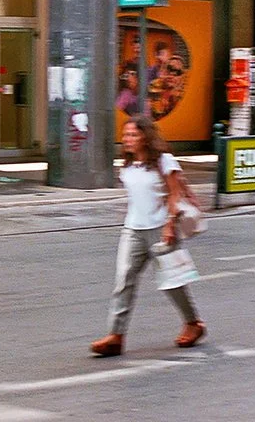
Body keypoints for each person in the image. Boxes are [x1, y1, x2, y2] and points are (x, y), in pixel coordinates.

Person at [90, 115, 205, 357]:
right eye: (125, 135)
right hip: (133, 229)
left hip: (161, 228)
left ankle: (193, 323)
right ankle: (116, 336)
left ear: (146, 137)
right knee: (124, 280)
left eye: (133, 135)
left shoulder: (164, 161)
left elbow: (174, 195)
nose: (127, 139)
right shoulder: (128, 165)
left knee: (172, 282)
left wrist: (170, 224)